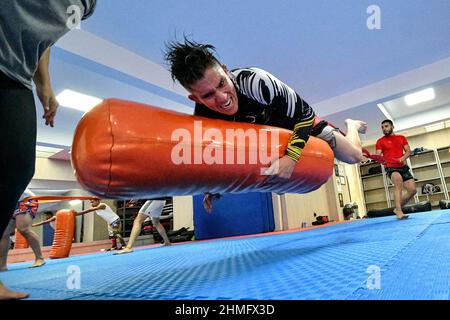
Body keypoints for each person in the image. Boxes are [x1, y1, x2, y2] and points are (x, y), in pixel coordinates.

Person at [164, 38, 367, 212]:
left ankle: (352, 126)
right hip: (270, 140)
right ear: (195, 99)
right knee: (278, 187)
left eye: (221, 83)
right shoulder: (204, 119)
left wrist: (292, 157)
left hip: (299, 123)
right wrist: (212, 190)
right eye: (208, 95)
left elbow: (306, 114)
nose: (222, 97)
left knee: (354, 156)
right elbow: (217, 156)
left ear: (226, 71)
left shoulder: (255, 82)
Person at [0, 1, 97, 300]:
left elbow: (43, 38)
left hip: (16, 75)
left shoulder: (87, 6)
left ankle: (32, 259)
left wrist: (45, 84)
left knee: (18, 167)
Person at [376, 119, 417, 219]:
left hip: (402, 167)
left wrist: (402, 158)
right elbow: (378, 155)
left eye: (386, 126)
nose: (384, 129)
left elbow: (408, 151)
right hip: (391, 167)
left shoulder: (401, 138)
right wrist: (380, 160)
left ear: (392, 127)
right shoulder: (380, 141)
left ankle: (397, 208)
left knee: (413, 190)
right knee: (398, 183)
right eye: (382, 127)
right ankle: (399, 212)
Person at [0, 189, 46, 273]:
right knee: (4, 233)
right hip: (10, 202)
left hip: (25, 199)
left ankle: (39, 258)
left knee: (23, 229)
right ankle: (2, 265)